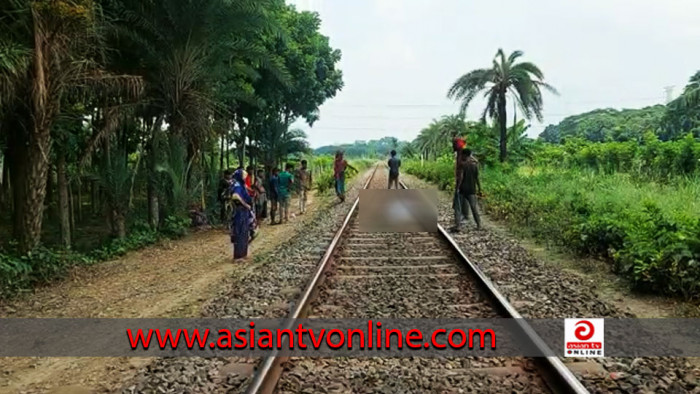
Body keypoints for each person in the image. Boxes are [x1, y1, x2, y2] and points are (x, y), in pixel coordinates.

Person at [451, 149, 482, 232]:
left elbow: (461, 177)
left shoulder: (462, 165)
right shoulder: (474, 165)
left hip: (462, 189)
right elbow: (477, 178)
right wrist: (479, 189)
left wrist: (457, 188)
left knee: (458, 208)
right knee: (474, 208)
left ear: (464, 155)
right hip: (472, 190)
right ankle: (479, 225)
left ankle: (458, 226)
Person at [229, 169, 254, 260]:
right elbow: (235, 196)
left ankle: (242, 254)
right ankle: (239, 256)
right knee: (240, 233)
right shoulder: (238, 185)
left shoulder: (239, 184)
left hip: (243, 212)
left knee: (243, 233)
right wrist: (246, 205)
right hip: (240, 212)